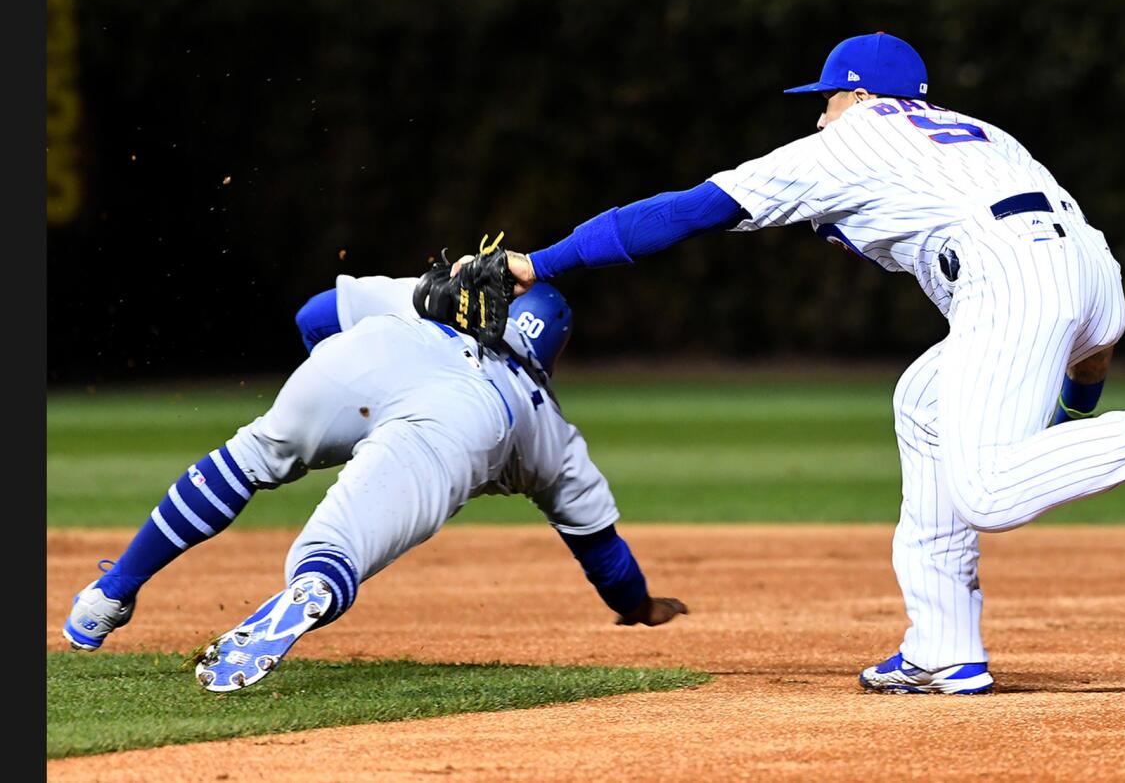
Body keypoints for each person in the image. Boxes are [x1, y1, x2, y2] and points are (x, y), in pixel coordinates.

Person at [500, 33, 1125, 695]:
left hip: (1007, 270)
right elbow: (1094, 339)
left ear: (861, 96)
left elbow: (685, 212)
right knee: (925, 401)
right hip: (1085, 266)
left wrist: (543, 263)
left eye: (828, 96)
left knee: (988, 488)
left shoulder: (855, 136)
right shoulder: (982, 135)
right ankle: (943, 644)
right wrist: (1068, 414)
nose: (820, 113)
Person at [62, 258, 687, 692]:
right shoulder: (548, 426)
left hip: (378, 351)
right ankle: (312, 585)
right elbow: (603, 554)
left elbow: (312, 316)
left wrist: (337, 393)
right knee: (337, 547)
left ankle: (108, 594)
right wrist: (639, 606)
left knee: (249, 456)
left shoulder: (428, 297)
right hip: (468, 420)